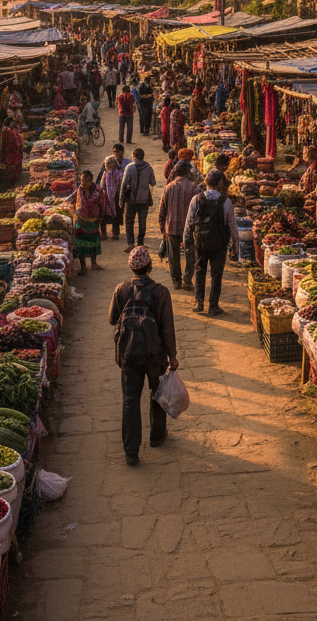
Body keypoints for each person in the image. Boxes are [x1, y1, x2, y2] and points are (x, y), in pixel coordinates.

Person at [108, 247, 179, 467]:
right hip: (154, 354)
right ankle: (157, 436)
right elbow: (167, 328)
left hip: (128, 354)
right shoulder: (161, 292)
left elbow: (112, 319)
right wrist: (172, 355)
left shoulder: (121, 289)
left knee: (130, 400)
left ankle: (131, 452)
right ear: (149, 266)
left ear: (131, 267)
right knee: (157, 393)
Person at [183, 168, 240, 316]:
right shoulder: (226, 202)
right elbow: (232, 226)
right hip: (219, 245)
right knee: (216, 275)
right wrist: (236, 245)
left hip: (200, 243)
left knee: (199, 272)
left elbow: (189, 223)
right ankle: (213, 306)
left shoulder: (196, 199)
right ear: (220, 183)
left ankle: (199, 302)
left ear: (205, 182)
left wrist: (186, 241)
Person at [158, 159, 199, 291]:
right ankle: (187, 279)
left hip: (171, 227)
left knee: (173, 255)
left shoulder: (168, 188)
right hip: (189, 227)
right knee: (190, 255)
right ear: (188, 173)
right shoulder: (193, 188)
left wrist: (162, 228)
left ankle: (176, 281)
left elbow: (162, 210)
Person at [120, 147, 156, 250]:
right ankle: (140, 243)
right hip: (144, 199)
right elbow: (153, 182)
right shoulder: (148, 167)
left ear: (134, 156)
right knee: (142, 221)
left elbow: (124, 184)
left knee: (129, 221)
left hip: (131, 199)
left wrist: (121, 200)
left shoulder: (129, 167)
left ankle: (130, 243)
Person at [73, 169, 107, 274]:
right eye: (82, 180)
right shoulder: (80, 190)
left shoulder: (98, 191)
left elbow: (103, 205)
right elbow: (78, 204)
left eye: (86, 181)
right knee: (80, 243)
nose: (83, 183)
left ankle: (94, 263)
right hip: (81, 219)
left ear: (91, 180)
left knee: (93, 242)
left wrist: (101, 217)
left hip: (93, 220)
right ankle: (83, 267)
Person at [99, 154, 124, 241]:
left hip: (111, 198)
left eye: (108, 164)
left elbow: (102, 186)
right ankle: (110, 234)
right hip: (111, 198)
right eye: (106, 164)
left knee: (109, 216)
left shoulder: (109, 174)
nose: (107, 166)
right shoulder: (119, 173)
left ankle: (109, 234)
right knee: (111, 216)